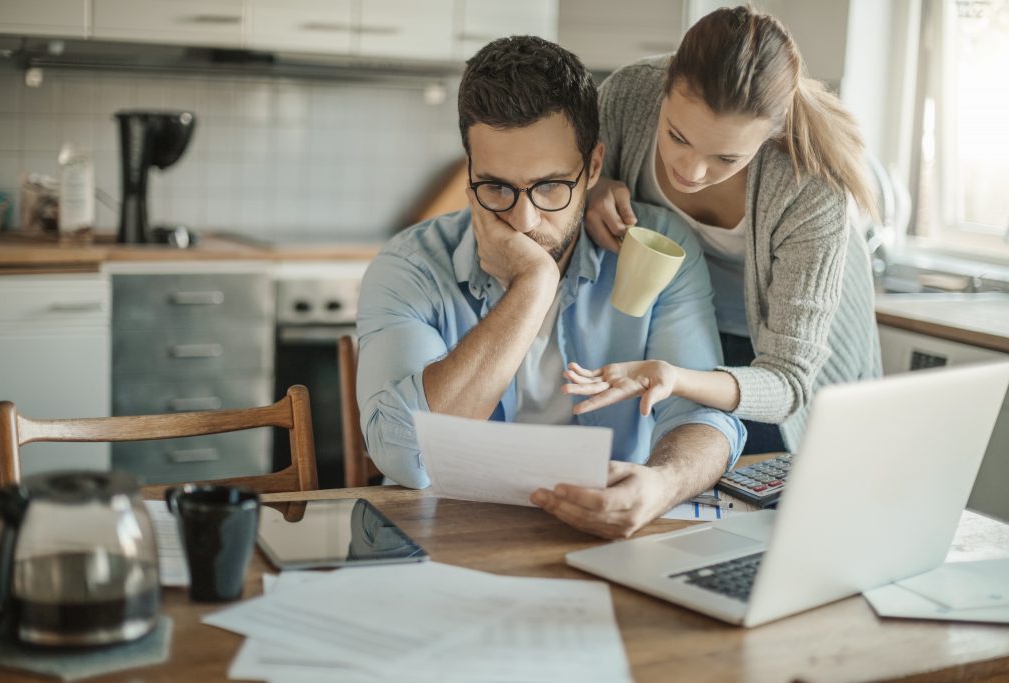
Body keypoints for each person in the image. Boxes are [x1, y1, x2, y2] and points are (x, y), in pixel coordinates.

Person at [356, 36, 745, 539]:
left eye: (550, 186)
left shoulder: (658, 249)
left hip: (604, 532)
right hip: (449, 533)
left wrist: (663, 483)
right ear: (470, 170)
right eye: (496, 186)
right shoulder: (410, 267)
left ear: (594, 167)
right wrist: (534, 284)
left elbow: (702, 417)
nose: (524, 219)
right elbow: (405, 458)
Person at [570, 6, 882, 454]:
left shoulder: (809, 187)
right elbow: (565, 177)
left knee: (755, 475)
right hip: (680, 316)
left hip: (771, 349)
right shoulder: (630, 95)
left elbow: (787, 382)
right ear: (663, 89)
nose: (692, 171)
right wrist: (592, 188)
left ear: (770, 136)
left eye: (726, 158)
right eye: (677, 137)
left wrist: (678, 378)